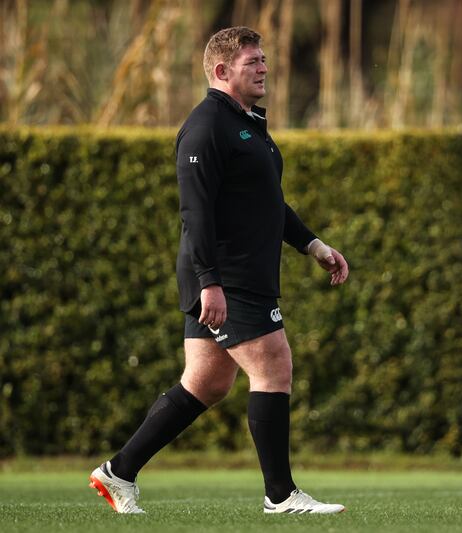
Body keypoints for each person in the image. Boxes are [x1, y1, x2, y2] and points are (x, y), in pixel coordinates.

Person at [88, 26, 349, 514]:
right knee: (274, 366)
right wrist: (210, 281)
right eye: (253, 62)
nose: (264, 68)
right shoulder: (207, 125)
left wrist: (312, 244)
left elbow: (268, 203)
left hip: (239, 275)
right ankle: (281, 496)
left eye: (264, 60)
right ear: (222, 70)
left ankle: (118, 472)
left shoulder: (247, 124)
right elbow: (196, 211)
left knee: (207, 383)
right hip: (226, 277)